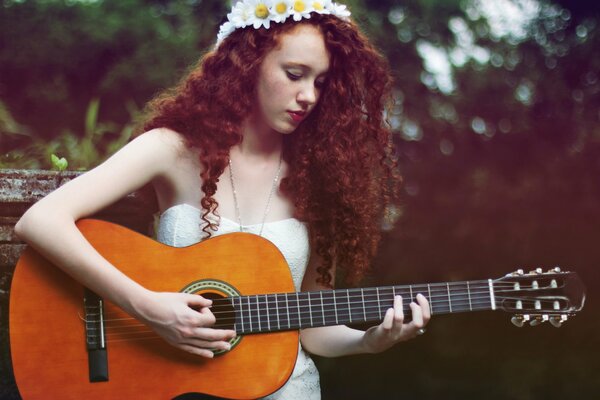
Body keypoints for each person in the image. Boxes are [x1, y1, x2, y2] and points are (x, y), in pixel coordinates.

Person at [15, 1, 431, 399]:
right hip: (174, 384)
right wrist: (148, 308)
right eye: (294, 73)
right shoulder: (172, 150)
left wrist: (370, 341)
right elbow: (40, 220)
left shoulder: (317, 181)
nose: (309, 96)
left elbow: (309, 327)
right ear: (248, 65)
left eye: (320, 82)